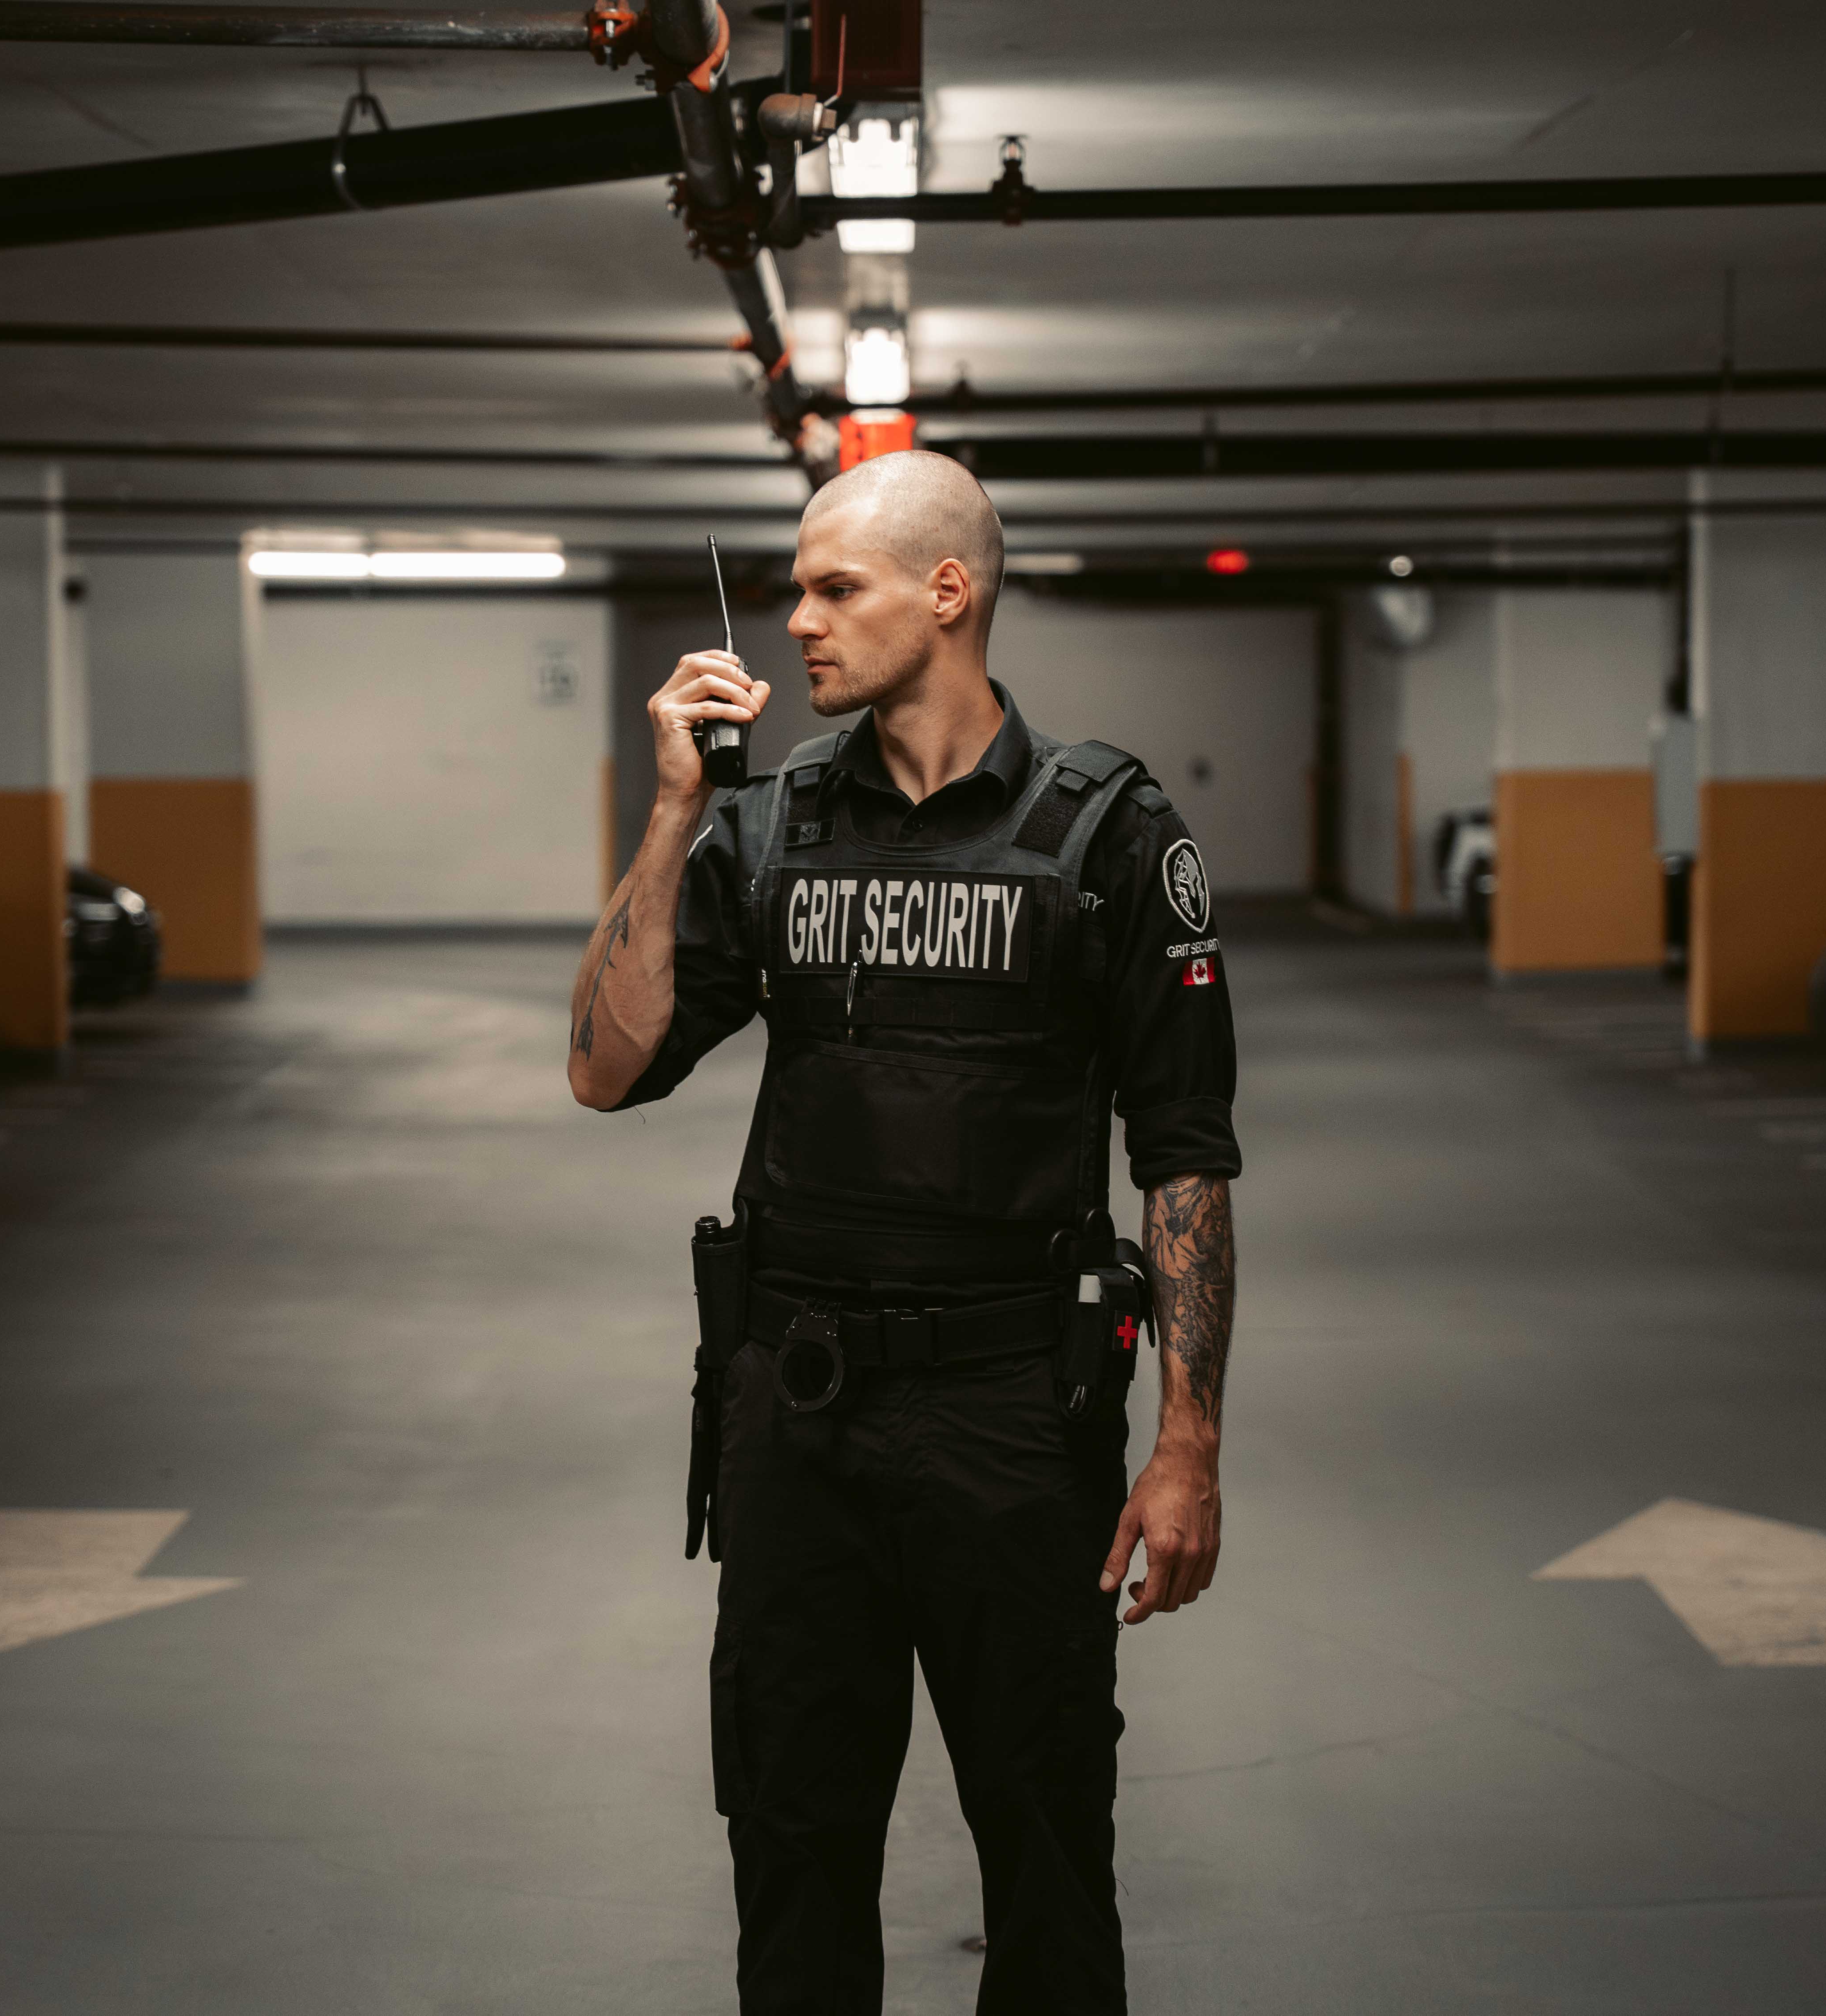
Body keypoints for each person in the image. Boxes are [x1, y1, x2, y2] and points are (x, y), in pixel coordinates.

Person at [567, 451, 1239, 2015]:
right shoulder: (773, 824)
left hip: (1017, 1419)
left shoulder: (1108, 836)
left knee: (1047, 1845)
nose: (796, 621)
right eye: (793, 586)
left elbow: (1187, 1158)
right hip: (796, 1414)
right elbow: (604, 1069)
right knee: (793, 1846)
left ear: (949, 594)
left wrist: (1186, 1444)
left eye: (832, 586)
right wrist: (675, 816)